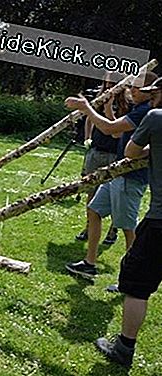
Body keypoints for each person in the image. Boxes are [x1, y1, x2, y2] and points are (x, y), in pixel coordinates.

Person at [94, 77, 162, 368]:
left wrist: (152, 150)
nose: (150, 98)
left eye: (154, 93)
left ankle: (123, 349)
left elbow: (131, 152)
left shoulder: (156, 118)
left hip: (161, 220)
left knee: (137, 284)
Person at [64, 72, 157, 279]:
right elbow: (116, 133)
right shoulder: (137, 108)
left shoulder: (145, 111)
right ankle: (89, 264)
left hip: (131, 177)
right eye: (131, 86)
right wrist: (106, 107)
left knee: (127, 227)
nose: (132, 90)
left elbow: (108, 128)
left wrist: (85, 108)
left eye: (137, 88)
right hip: (118, 171)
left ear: (150, 93)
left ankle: (132, 275)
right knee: (94, 210)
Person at [75, 79, 128, 245]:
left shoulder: (128, 105)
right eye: (106, 85)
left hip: (115, 154)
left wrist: (108, 110)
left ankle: (113, 230)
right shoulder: (100, 100)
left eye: (112, 85)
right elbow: (90, 118)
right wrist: (88, 137)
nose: (108, 88)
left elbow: (115, 132)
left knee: (113, 195)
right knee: (91, 191)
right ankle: (88, 227)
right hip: (97, 150)